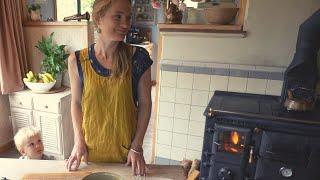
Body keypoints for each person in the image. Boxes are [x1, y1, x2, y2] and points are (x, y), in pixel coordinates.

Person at [66, 0, 153, 176]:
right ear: (99, 18)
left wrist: (137, 147)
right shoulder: (77, 61)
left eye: (128, 17)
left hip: (127, 155)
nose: (126, 24)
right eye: (118, 17)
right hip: (91, 153)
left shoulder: (139, 58)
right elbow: (76, 103)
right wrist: (78, 140)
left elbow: (145, 104)